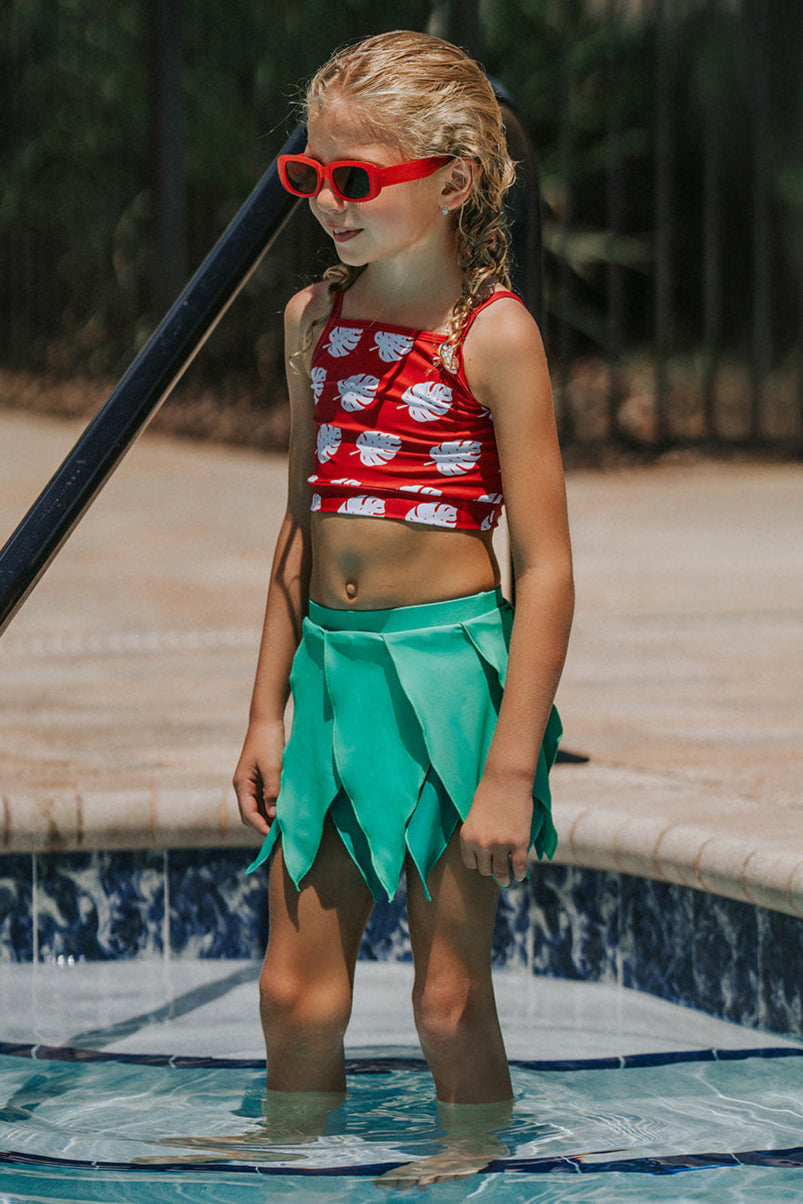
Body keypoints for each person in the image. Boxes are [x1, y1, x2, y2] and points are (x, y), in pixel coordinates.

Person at [233, 29, 574, 1184]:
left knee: (443, 998)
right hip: (331, 680)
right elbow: (299, 522)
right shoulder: (311, 321)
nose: (327, 201)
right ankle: (292, 1164)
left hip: (443, 691)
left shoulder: (492, 337)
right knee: (291, 988)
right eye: (310, 176)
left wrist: (514, 767)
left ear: (454, 179)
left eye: (357, 179)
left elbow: (546, 567)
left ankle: (470, 1168)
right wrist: (264, 709)